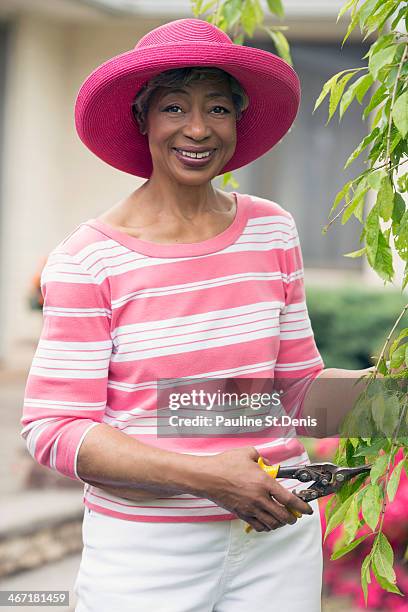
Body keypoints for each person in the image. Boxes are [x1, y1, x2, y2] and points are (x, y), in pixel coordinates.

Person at [21, 18, 374, 612]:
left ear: (237, 122)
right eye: (174, 107)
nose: (197, 129)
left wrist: (394, 403)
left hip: (278, 538)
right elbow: (54, 430)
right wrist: (210, 477)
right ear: (142, 120)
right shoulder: (90, 260)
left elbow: (294, 391)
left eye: (217, 108)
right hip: (149, 554)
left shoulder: (270, 229)